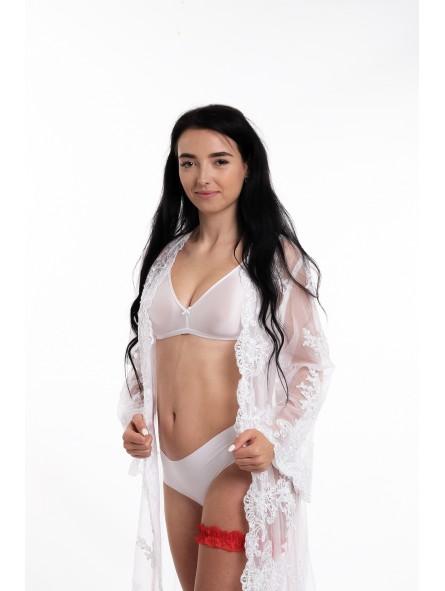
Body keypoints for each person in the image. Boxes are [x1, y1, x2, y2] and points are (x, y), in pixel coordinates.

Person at [117, 104, 335, 591]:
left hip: (237, 461)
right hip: (174, 469)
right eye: (188, 162)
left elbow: (312, 363)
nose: (203, 177)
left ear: (247, 166)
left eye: (219, 160)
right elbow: (144, 355)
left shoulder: (275, 258)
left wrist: (275, 435)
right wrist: (135, 416)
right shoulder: (166, 257)